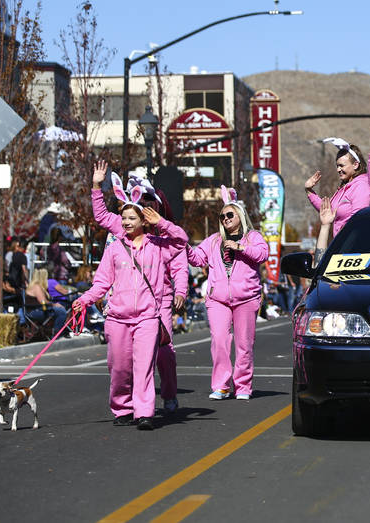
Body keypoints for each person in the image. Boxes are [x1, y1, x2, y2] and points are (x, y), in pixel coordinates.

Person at [72, 197, 187, 431]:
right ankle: (122, 407)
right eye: (123, 218)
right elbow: (102, 282)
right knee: (119, 367)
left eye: (131, 218)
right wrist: (84, 300)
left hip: (147, 318)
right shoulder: (114, 248)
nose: (125, 222)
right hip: (117, 318)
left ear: (144, 221)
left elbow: (182, 240)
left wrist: (162, 222)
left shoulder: (159, 246)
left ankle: (144, 412)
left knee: (144, 366)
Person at [92, 162, 187, 412]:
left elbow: (180, 261)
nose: (144, 206)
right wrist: (96, 186)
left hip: (160, 299)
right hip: (125, 303)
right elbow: (101, 215)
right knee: (124, 359)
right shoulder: (125, 224)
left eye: (149, 202)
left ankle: (168, 394)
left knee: (164, 351)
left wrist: (180, 290)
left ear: (156, 205)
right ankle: (131, 402)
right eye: (140, 202)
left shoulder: (162, 236)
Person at [186, 185, 269, 401]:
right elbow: (197, 258)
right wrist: (183, 245)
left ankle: (242, 386)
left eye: (229, 214)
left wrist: (240, 247)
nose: (225, 219)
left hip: (246, 298)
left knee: (244, 344)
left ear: (240, 215)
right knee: (219, 340)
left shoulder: (253, 237)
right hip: (218, 299)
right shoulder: (214, 240)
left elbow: (262, 254)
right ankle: (221, 385)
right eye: (222, 216)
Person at [305, 138, 370, 236]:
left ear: (355, 165)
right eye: (337, 166)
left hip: (354, 247)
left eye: (342, 165)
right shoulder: (344, 187)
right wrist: (309, 191)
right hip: (343, 245)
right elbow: (327, 211)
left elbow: (358, 223)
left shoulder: (361, 187)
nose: (338, 169)